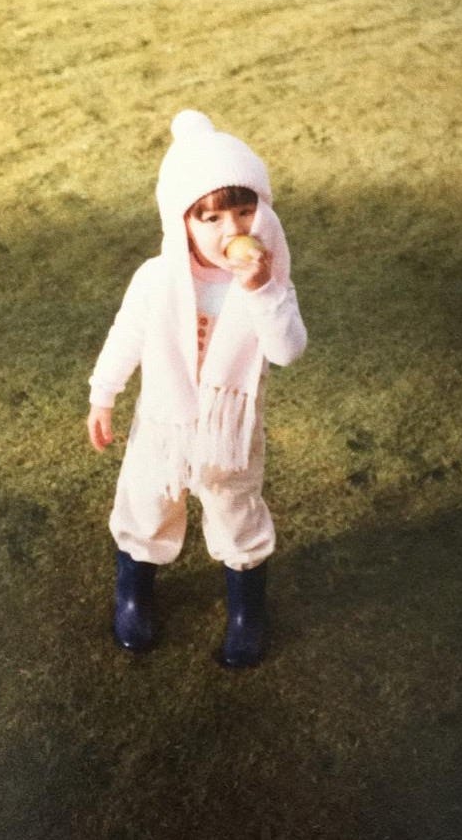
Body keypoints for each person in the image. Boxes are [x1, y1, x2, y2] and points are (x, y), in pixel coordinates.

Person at [86, 109, 307, 668]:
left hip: (229, 434)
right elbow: (127, 335)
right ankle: (134, 591)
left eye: (243, 208)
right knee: (147, 505)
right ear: (181, 222)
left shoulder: (266, 281)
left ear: (262, 208)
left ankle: (245, 612)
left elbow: (286, 350)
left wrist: (260, 291)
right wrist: (103, 391)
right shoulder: (155, 278)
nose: (231, 228)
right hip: (161, 424)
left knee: (235, 512)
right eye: (209, 217)